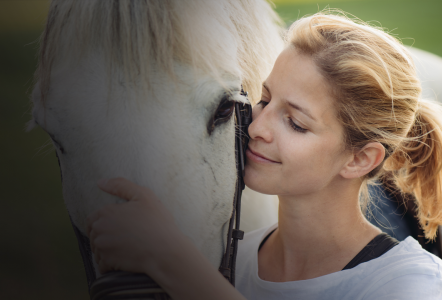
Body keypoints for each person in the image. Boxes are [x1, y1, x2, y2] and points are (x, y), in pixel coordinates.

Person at [87, 13, 442, 299]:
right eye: (265, 99)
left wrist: (171, 262)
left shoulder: (410, 286)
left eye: (296, 123)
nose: (257, 128)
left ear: (359, 159)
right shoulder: (224, 262)